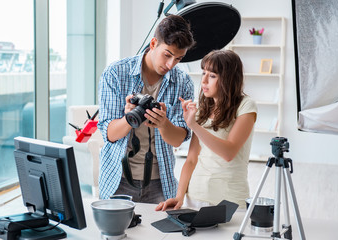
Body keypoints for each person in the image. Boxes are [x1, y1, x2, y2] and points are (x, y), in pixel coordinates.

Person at [97, 15, 195, 203]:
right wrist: (128, 118)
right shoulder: (116, 73)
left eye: (178, 59)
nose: (171, 65)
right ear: (153, 44)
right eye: (167, 55)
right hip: (118, 180)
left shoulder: (182, 82)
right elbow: (108, 134)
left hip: (161, 182)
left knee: (161, 233)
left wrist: (163, 123)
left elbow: (178, 141)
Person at [156, 49, 257, 210]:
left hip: (229, 200)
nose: (204, 81)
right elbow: (191, 160)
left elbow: (229, 153)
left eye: (212, 76)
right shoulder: (202, 109)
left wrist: (194, 125)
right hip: (194, 198)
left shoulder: (246, 105)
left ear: (228, 79)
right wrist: (179, 197)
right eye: (204, 73)